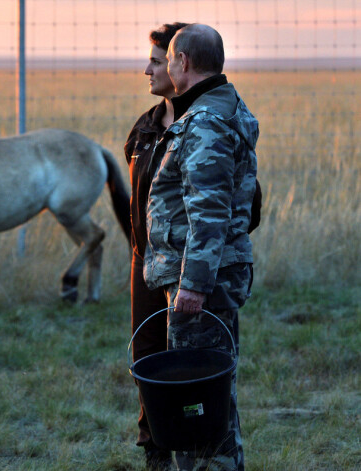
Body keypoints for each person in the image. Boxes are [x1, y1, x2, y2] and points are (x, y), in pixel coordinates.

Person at [142, 23, 260, 471]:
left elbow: (208, 213)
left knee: (199, 404)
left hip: (201, 286)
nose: (164, 66)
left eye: (167, 59)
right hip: (210, 277)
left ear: (183, 64)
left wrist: (192, 286)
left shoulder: (205, 122)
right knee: (212, 398)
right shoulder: (220, 108)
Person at [124, 22, 188, 471]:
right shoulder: (144, 128)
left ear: (178, 63)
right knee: (146, 358)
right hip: (143, 263)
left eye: (154, 60)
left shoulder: (204, 127)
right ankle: (156, 452)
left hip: (188, 269)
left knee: (189, 364)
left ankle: (196, 447)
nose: (146, 69)